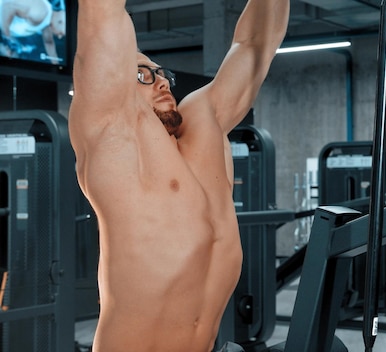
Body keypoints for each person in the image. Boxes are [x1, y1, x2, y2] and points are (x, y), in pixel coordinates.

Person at [68, 0, 289, 351]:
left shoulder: (205, 125)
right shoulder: (111, 136)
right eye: (143, 74)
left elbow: (255, 45)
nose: (160, 83)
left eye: (162, 74)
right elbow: (101, 19)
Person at [0, 0, 66, 63]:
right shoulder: (40, 12)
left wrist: (56, 65)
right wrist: (7, 39)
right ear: (60, 22)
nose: (59, 37)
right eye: (61, 33)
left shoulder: (46, 21)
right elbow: (8, 5)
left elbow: (49, 42)